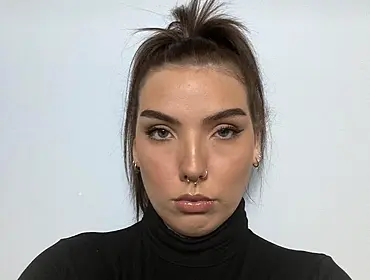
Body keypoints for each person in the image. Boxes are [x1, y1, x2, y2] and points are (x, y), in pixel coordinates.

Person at [19, 0, 352, 279]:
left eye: (224, 131)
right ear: (134, 146)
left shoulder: (314, 277)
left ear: (257, 142)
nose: (193, 167)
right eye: (161, 132)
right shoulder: (69, 272)